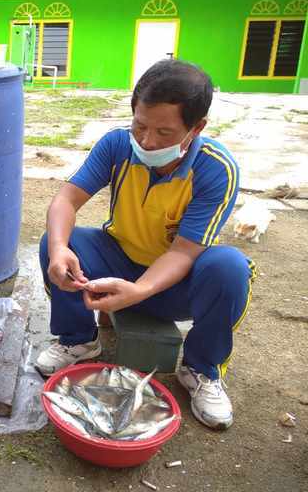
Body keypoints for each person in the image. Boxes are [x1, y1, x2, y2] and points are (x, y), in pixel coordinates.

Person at [35, 59, 255, 430]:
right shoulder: (118, 145)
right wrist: (59, 249)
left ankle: (201, 369)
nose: (147, 141)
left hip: (175, 284)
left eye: (164, 133)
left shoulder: (216, 168)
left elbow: (184, 251)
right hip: (119, 260)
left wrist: (139, 291)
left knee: (230, 268)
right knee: (57, 239)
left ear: (196, 127)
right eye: (140, 125)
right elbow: (66, 200)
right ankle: (78, 340)